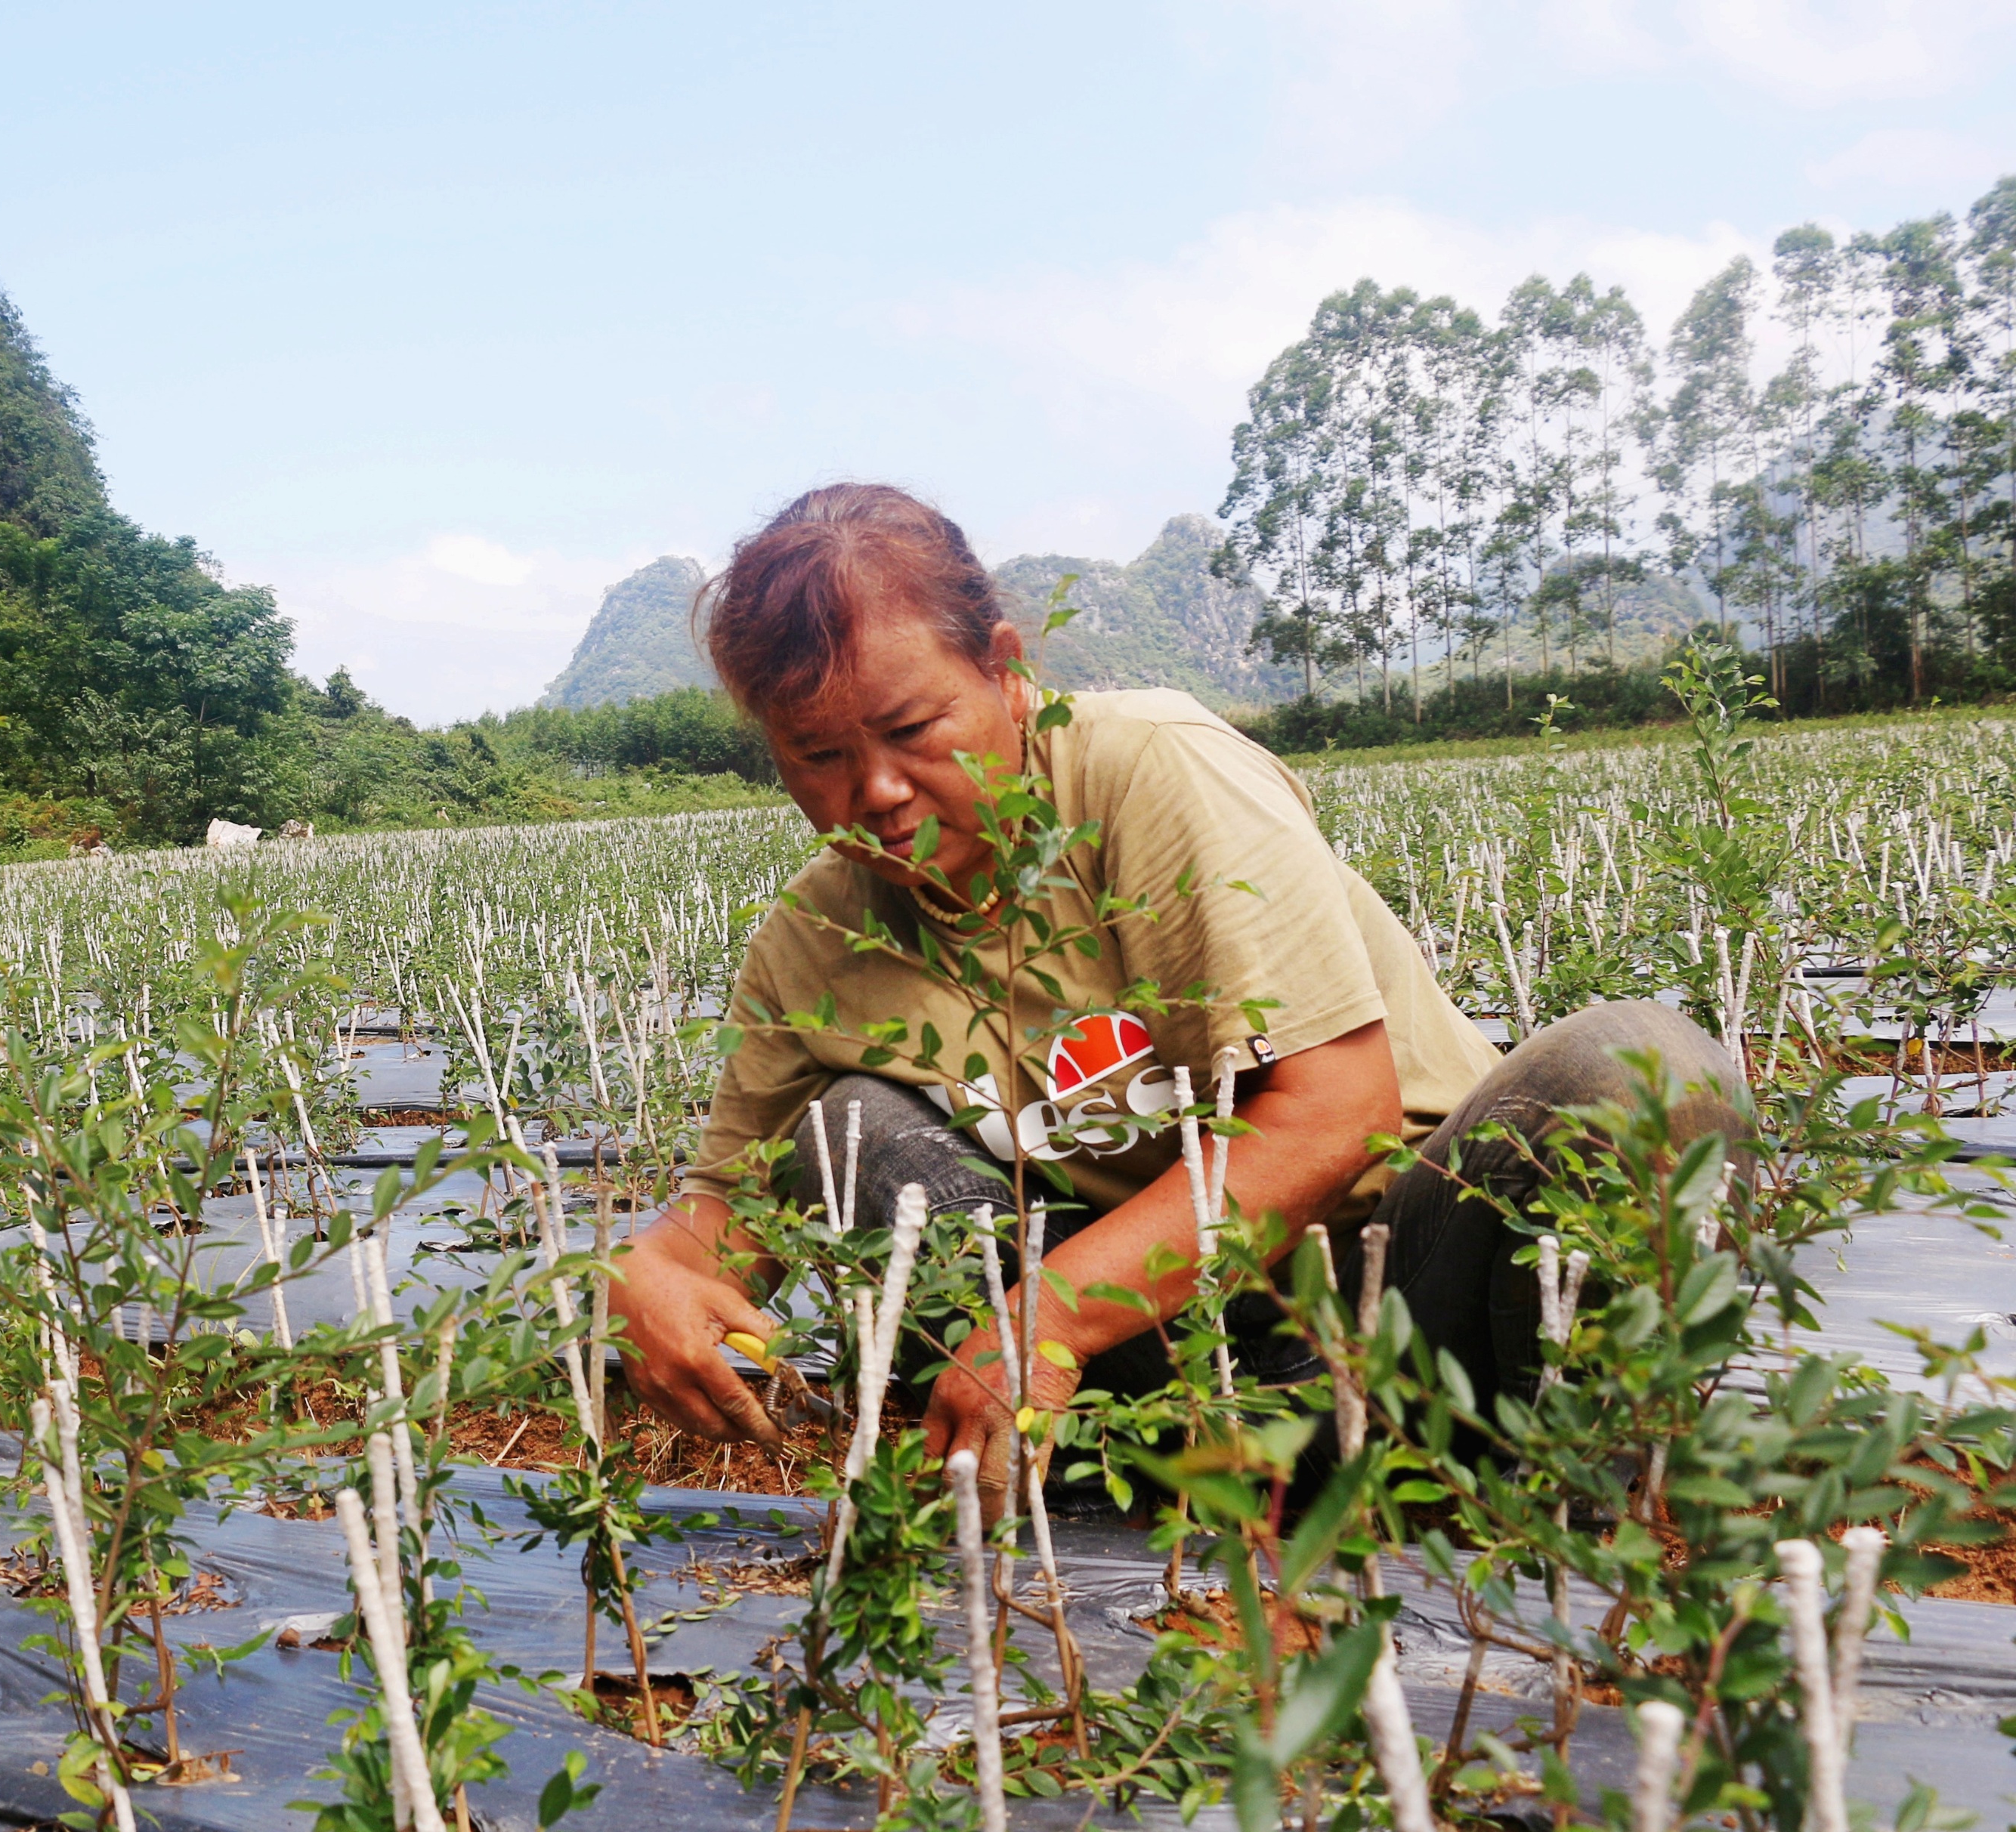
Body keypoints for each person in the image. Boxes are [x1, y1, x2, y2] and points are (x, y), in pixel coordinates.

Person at [601, 483, 1748, 1505]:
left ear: (1005, 669)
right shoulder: (814, 939)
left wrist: (1046, 1312)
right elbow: (728, 1232)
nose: (879, 793)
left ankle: (1574, 1517)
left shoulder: (1151, 770)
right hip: (1149, 1364)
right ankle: (1126, 1473)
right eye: (816, 756)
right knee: (849, 1131)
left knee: (1642, 1070)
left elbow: (1331, 1117)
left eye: (912, 730)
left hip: (1395, 1297)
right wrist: (652, 1278)